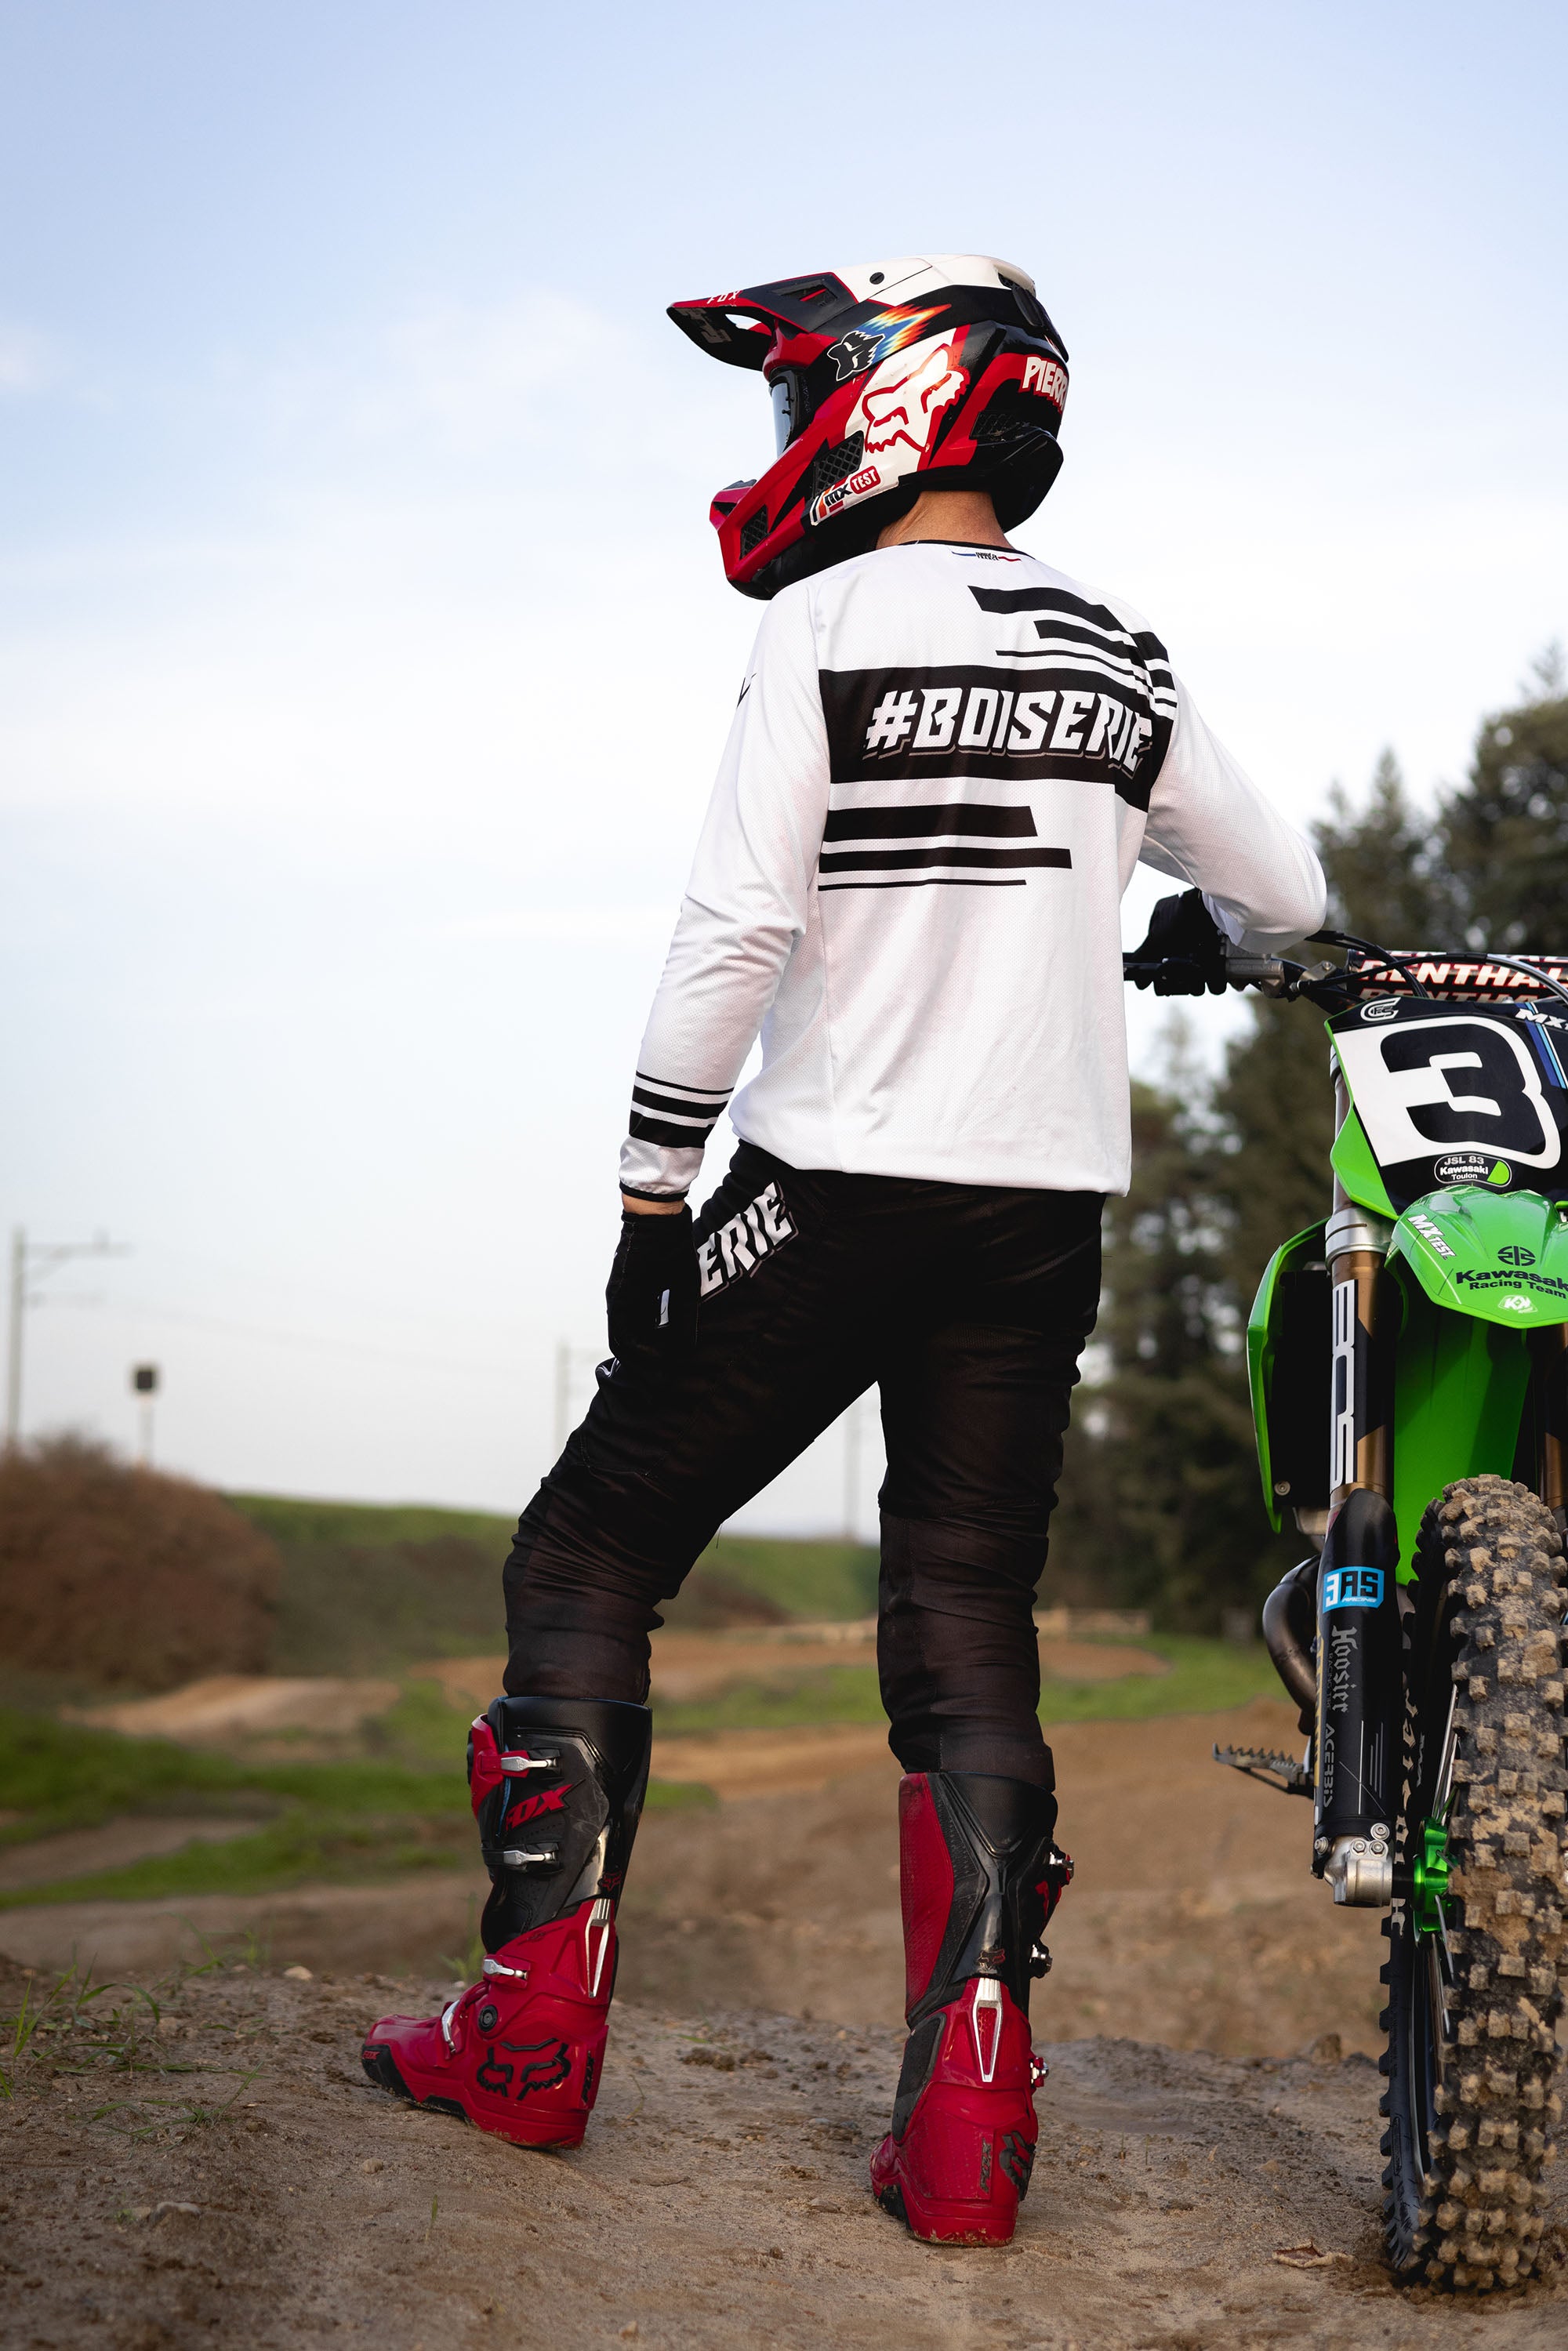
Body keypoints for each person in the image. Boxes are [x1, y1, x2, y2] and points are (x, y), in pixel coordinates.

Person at [362, 252, 1327, 2245]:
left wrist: (652, 1187)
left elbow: (737, 928)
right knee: (963, 1617)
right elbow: (1291, 895)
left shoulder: (823, 625)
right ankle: (971, 2135)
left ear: (886, 402)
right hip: (1039, 1215)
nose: (786, 429)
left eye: (799, 393)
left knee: (588, 1550)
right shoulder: (1118, 654)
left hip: (834, 1188)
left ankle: (527, 2044)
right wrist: (1190, 928)